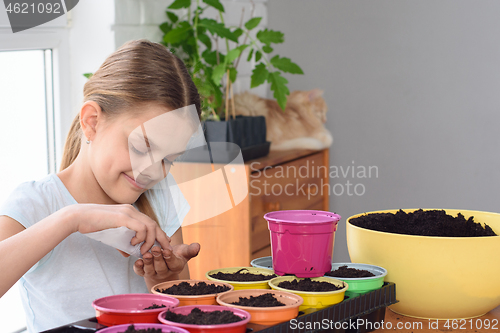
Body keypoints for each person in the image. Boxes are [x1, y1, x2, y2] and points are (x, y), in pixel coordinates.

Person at [0, 39, 201, 332]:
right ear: (92, 121)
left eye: (169, 159)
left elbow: (182, 316)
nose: (153, 172)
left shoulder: (160, 199)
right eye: (142, 147)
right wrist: (74, 217)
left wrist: (162, 282)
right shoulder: (36, 204)